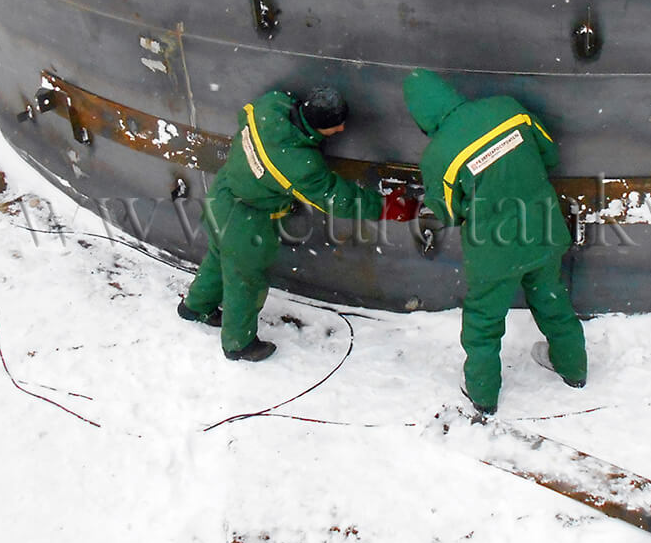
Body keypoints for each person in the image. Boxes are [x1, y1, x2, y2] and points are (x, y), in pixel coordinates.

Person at [178, 85, 417, 361]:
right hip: (247, 217)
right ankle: (238, 344)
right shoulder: (300, 165)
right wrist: (386, 207)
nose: (341, 131)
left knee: (219, 256)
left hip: (223, 192)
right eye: (336, 126)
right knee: (246, 281)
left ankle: (196, 307)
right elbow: (336, 198)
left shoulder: (270, 106)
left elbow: (248, 114)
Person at [402, 68, 587, 415]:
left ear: (421, 116)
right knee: (552, 301)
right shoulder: (508, 110)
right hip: (544, 231)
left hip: (494, 252)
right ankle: (574, 369)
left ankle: (482, 394)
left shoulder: (438, 156)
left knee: (483, 324)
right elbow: (550, 155)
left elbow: (446, 213)